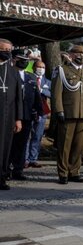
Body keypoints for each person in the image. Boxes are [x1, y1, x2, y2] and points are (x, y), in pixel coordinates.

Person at [52, 45, 83, 184]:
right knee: (65, 145)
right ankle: (63, 173)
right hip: (68, 113)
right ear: (71, 55)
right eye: (78, 53)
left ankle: (74, 171)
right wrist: (59, 110)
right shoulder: (62, 70)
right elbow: (56, 93)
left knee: (79, 146)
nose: (81, 55)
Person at [9, 50, 43, 181]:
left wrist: (38, 111)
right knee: (9, 144)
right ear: (14, 59)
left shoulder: (30, 77)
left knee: (22, 144)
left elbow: (36, 96)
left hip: (27, 115)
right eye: (21, 59)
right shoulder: (9, 75)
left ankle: (18, 169)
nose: (24, 61)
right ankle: (6, 169)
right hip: (11, 115)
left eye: (26, 59)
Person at [0, 39, 23, 191]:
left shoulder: (13, 71)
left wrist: (18, 119)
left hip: (8, 116)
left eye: (9, 49)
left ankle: (1, 177)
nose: (8, 52)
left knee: (5, 146)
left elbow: (19, 98)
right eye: (4, 49)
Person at [26, 59, 51, 168]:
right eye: (39, 67)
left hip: (42, 112)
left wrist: (41, 90)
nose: (41, 69)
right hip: (29, 110)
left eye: (43, 67)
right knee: (27, 136)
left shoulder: (47, 82)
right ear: (33, 68)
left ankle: (33, 158)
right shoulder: (28, 78)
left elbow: (51, 93)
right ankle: (25, 159)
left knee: (37, 135)